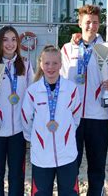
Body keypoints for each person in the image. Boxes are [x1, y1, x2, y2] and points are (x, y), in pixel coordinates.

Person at [60, 5, 108, 196]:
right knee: (70, 165)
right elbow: (60, 79)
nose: (91, 26)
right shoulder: (67, 48)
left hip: (98, 116)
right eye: (87, 22)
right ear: (80, 23)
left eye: (95, 22)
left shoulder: (107, 49)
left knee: (97, 166)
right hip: (72, 118)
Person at [22, 45, 82, 196]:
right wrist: (36, 139)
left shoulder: (71, 89)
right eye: (47, 63)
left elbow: (76, 116)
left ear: (61, 64)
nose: (51, 67)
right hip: (41, 156)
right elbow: (25, 119)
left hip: (67, 154)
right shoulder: (32, 91)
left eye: (55, 63)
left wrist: (65, 134)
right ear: (41, 64)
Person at [0, 26, 34, 196]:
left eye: (13, 39)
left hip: (18, 131)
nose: (10, 43)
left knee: (17, 175)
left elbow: (32, 94)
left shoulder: (26, 66)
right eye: (5, 39)